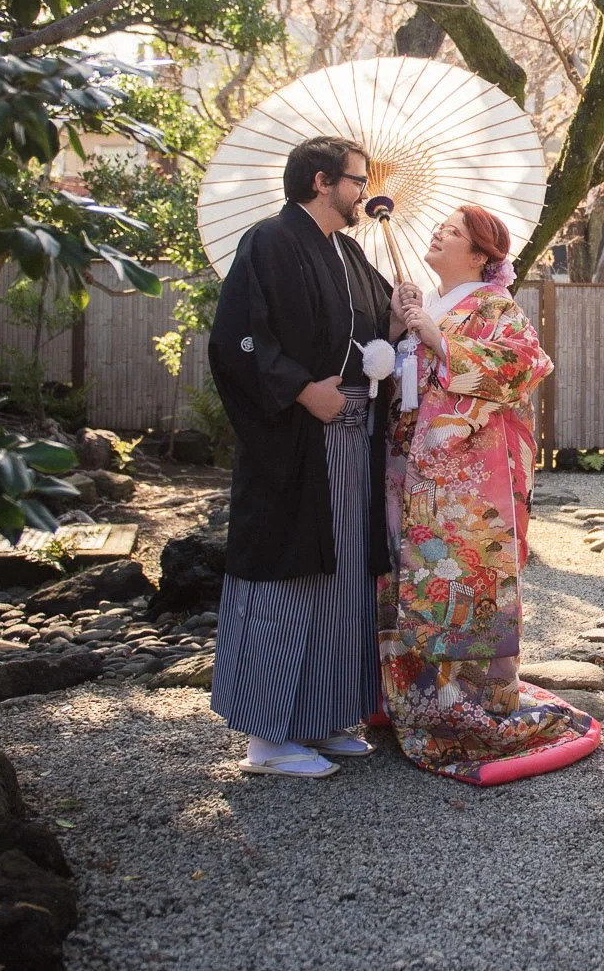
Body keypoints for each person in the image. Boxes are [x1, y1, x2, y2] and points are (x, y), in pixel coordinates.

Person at [379, 205, 601, 785]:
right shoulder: (424, 301)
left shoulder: (494, 307)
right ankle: (408, 692)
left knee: (457, 577)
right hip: (410, 466)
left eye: (451, 231)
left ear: (480, 256)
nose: (437, 232)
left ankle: (461, 704)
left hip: (460, 479)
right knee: (403, 575)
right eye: (440, 225)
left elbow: (521, 368)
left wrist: (437, 340)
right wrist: (401, 331)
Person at [206, 136, 398, 778]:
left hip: (348, 433)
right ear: (322, 181)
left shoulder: (347, 250)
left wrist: (397, 318)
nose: (363, 192)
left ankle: (319, 718)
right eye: (356, 180)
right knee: (288, 573)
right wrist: (297, 386)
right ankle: (266, 737)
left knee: (342, 576)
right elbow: (237, 337)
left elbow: (372, 331)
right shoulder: (269, 241)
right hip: (294, 434)